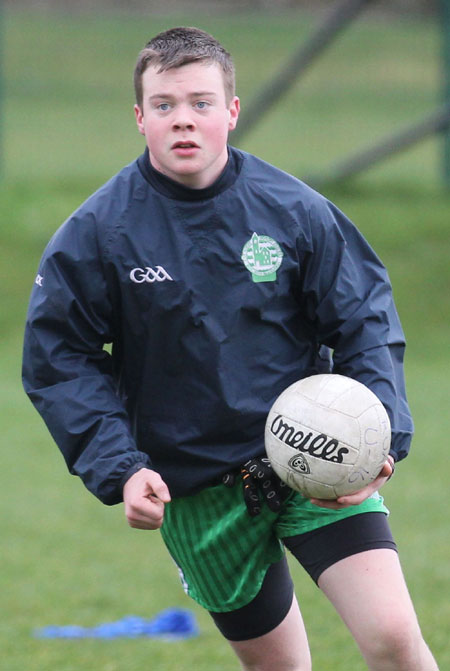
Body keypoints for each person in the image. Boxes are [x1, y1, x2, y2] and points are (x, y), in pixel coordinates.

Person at [22, 26, 438, 671]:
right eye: (164, 105)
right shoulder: (98, 233)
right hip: (193, 488)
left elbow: (363, 321)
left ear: (231, 112)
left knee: (391, 637)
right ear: (139, 118)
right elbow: (61, 358)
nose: (183, 120)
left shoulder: (294, 210)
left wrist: (380, 437)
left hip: (313, 458)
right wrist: (121, 468)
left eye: (201, 103)